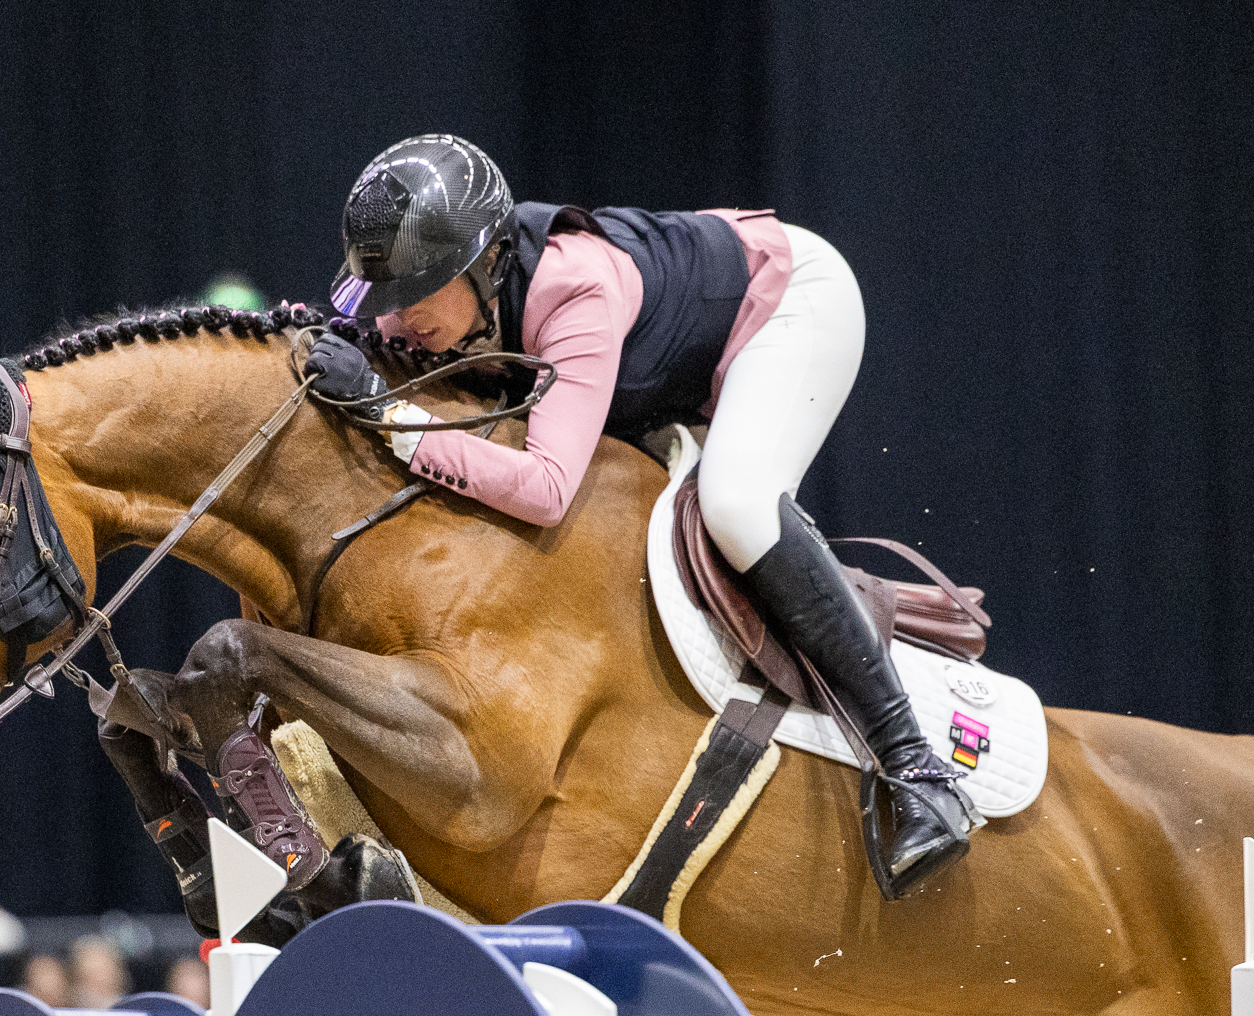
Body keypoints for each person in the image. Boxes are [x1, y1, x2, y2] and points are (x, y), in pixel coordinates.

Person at [312, 134, 974, 899]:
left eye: (417, 292)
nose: (397, 319)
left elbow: (546, 485)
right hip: (670, 370)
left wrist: (391, 415)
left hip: (789, 306)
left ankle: (916, 767)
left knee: (738, 503)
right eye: (385, 298)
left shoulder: (574, 288)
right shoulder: (431, 308)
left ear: (487, 262)